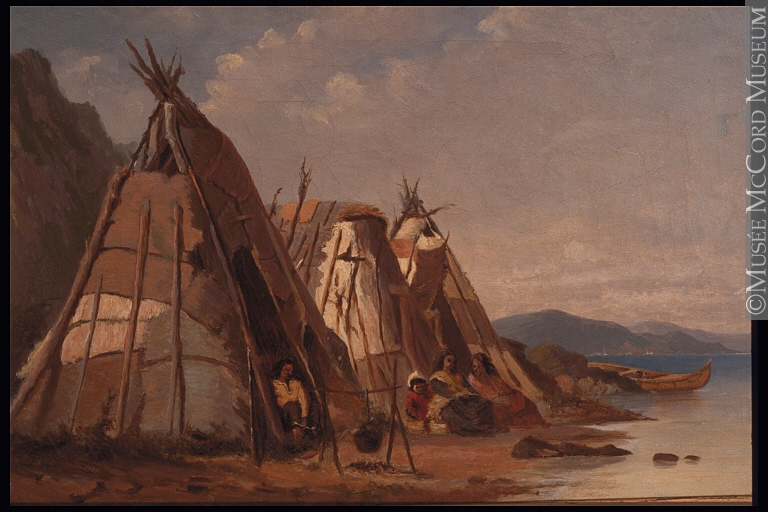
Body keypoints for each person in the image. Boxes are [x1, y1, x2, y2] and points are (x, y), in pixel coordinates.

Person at [426, 349, 497, 436]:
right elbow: (444, 392)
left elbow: (468, 387)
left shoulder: (458, 374)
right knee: (456, 410)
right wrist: (458, 396)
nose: (451, 363)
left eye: (453, 362)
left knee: (484, 402)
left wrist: (474, 394)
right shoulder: (437, 377)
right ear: (442, 361)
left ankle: (484, 427)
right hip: (446, 402)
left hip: (462, 398)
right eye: (449, 361)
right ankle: (474, 429)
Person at [467, 353, 548, 428]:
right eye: (474, 366)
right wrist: (496, 398)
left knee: (519, 397)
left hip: (501, 398)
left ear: (484, 367)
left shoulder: (491, 379)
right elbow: (483, 393)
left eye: (479, 367)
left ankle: (540, 421)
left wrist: (504, 394)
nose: (476, 369)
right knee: (502, 409)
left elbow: (503, 387)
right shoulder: (472, 379)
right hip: (491, 403)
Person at [270, 358, 310, 441]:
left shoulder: (296, 383)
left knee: (293, 406)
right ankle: (296, 434)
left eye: (291, 371)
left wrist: (304, 417)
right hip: (283, 414)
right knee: (290, 406)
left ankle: (297, 433)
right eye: (287, 370)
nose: (290, 373)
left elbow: (303, 400)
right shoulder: (274, 384)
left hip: (297, 413)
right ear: (280, 370)